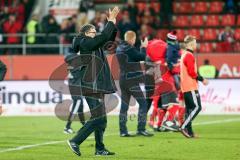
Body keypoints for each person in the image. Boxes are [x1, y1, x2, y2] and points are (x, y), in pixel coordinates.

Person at [67, 6, 120, 156]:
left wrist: (112, 22)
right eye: (92, 32)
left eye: (95, 32)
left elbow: (108, 38)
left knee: (102, 119)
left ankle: (100, 148)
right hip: (91, 85)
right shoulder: (84, 43)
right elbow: (103, 38)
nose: (95, 34)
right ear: (84, 34)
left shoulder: (92, 43)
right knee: (99, 117)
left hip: (97, 85)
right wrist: (109, 22)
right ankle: (75, 141)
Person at [116, 31, 153, 137]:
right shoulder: (129, 48)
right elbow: (141, 57)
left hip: (123, 79)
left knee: (124, 106)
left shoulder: (119, 48)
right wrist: (144, 47)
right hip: (131, 80)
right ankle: (141, 129)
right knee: (143, 103)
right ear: (133, 39)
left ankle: (122, 131)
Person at [179, 35, 209, 138]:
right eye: (195, 42)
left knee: (189, 109)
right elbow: (192, 73)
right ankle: (183, 126)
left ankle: (190, 132)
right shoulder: (189, 56)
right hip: (190, 86)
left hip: (185, 86)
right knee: (197, 107)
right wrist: (202, 79)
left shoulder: (184, 55)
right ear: (191, 44)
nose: (196, 44)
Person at [63, 48, 85, 134]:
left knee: (80, 105)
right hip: (75, 85)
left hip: (73, 84)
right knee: (77, 103)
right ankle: (67, 126)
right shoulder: (77, 60)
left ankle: (84, 125)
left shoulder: (71, 59)